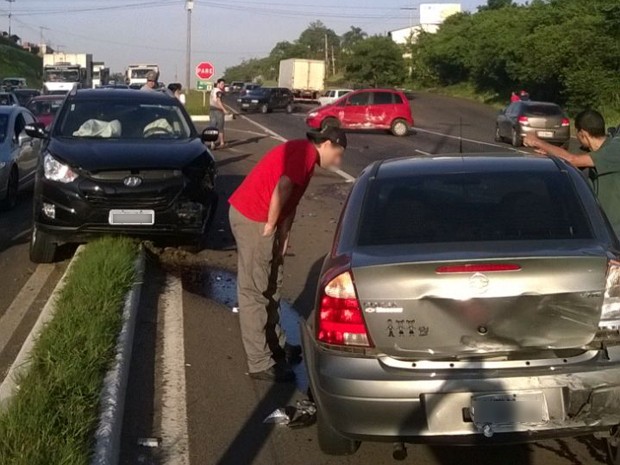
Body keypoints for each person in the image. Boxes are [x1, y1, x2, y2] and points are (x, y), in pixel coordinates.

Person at [228, 127, 347, 383]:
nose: (338, 162)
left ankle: (276, 345)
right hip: (253, 218)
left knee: (272, 283)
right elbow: (282, 187)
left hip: (264, 219)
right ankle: (260, 362)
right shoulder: (303, 153)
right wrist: (270, 227)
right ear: (326, 144)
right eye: (338, 154)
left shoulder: (306, 159)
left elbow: (290, 201)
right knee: (254, 290)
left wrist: (284, 237)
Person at [524, 109, 620, 234]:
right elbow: (571, 157)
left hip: (615, 232)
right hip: (600, 229)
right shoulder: (601, 152)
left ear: (583, 133)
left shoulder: (614, 150)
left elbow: (572, 160)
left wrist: (537, 142)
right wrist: (553, 152)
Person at [209, 78, 231, 149]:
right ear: (218, 84)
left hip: (211, 109)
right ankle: (222, 143)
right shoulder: (219, 92)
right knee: (220, 127)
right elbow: (219, 101)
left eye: (223, 84)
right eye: (221, 84)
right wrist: (224, 110)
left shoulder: (213, 90)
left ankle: (212, 143)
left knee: (213, 127)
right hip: (218, 110)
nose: (223, 85)